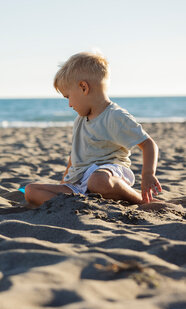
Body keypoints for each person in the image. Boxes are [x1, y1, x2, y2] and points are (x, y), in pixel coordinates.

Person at [24, 51, 161, 207]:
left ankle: (141, 201)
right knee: (31, 190)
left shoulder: (115, 116)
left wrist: (148, 175)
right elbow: (74, 157)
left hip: (107, 175)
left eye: (68, 96)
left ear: (83, 87)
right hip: (78, 184)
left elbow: (149, 144)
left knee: (97, 181)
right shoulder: (80, 120)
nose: (69, 104)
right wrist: (64, 182)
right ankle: (75, 205)